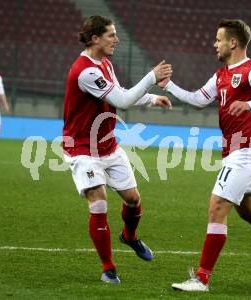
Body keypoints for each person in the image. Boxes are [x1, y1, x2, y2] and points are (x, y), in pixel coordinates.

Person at [160, 19, 251, 292]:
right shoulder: (221, 74)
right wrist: (169, 86)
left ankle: (201, 279)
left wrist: (249, 105)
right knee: (249, 212)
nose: (215, 43)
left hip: (245, 152)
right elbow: (199, 99)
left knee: (217, 207)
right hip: (232, 153)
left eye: (218, 39)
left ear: (233, 42)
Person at [62, 15, 172, 284]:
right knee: (99, 202)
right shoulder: (85, 71)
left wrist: (151, 98)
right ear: (94, 39)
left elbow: (119, 92)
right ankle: (108, 268)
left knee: (133, 200)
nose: (117, 39)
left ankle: (130, 237)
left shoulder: (105, 64)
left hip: (108, 145)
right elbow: (121, 100)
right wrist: (151, 78)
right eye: (111, 35)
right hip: (81, 148)